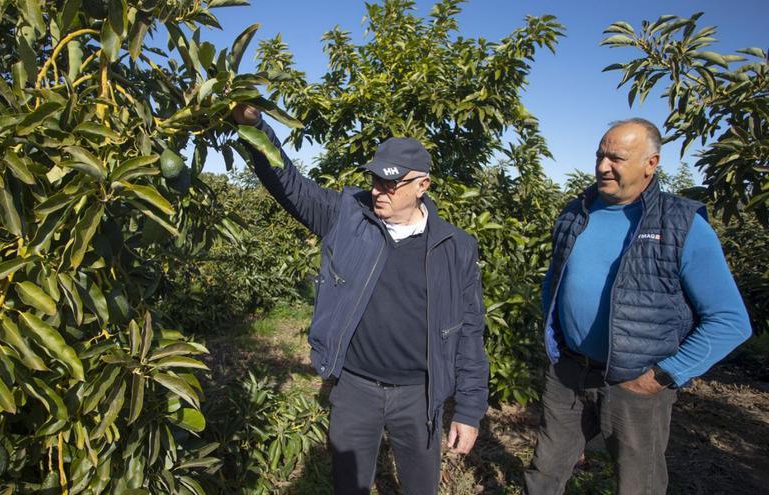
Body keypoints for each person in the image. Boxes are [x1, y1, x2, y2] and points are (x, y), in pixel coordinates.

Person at [232, 104, 488, 494]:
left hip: (419, 395)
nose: (378, 191)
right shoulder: (348, 219)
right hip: (356, 388)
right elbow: (289, 183)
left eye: (391, 183)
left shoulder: (455, 248)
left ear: (423, 185)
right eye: (374, 180)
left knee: (421, 488)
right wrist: (254, 127)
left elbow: (469, 332)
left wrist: (469, 411)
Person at [524, 118, 752, 494]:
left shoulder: (681, 223)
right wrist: (555, 343)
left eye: (616, 158)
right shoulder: (574, 212)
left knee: (637, 484)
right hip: (569, 373)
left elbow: (730, 320)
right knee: (543, 474)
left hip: (636, 384)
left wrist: (662, 376)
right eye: (599, 155)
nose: (602, 166)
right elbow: (555, 279)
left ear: (651, 163)